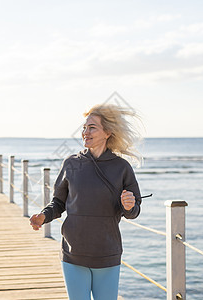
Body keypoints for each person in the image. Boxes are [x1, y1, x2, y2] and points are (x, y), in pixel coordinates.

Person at [30, 103, 142, 300]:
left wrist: (129, 205)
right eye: (84, 127)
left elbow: (133, 211)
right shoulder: (72, 163)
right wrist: (43, 216)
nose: (85, 132)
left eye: (92, 127)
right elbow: (58, 202)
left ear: (108, 132)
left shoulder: (122, 167)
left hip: (107, 253)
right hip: (74, 252)